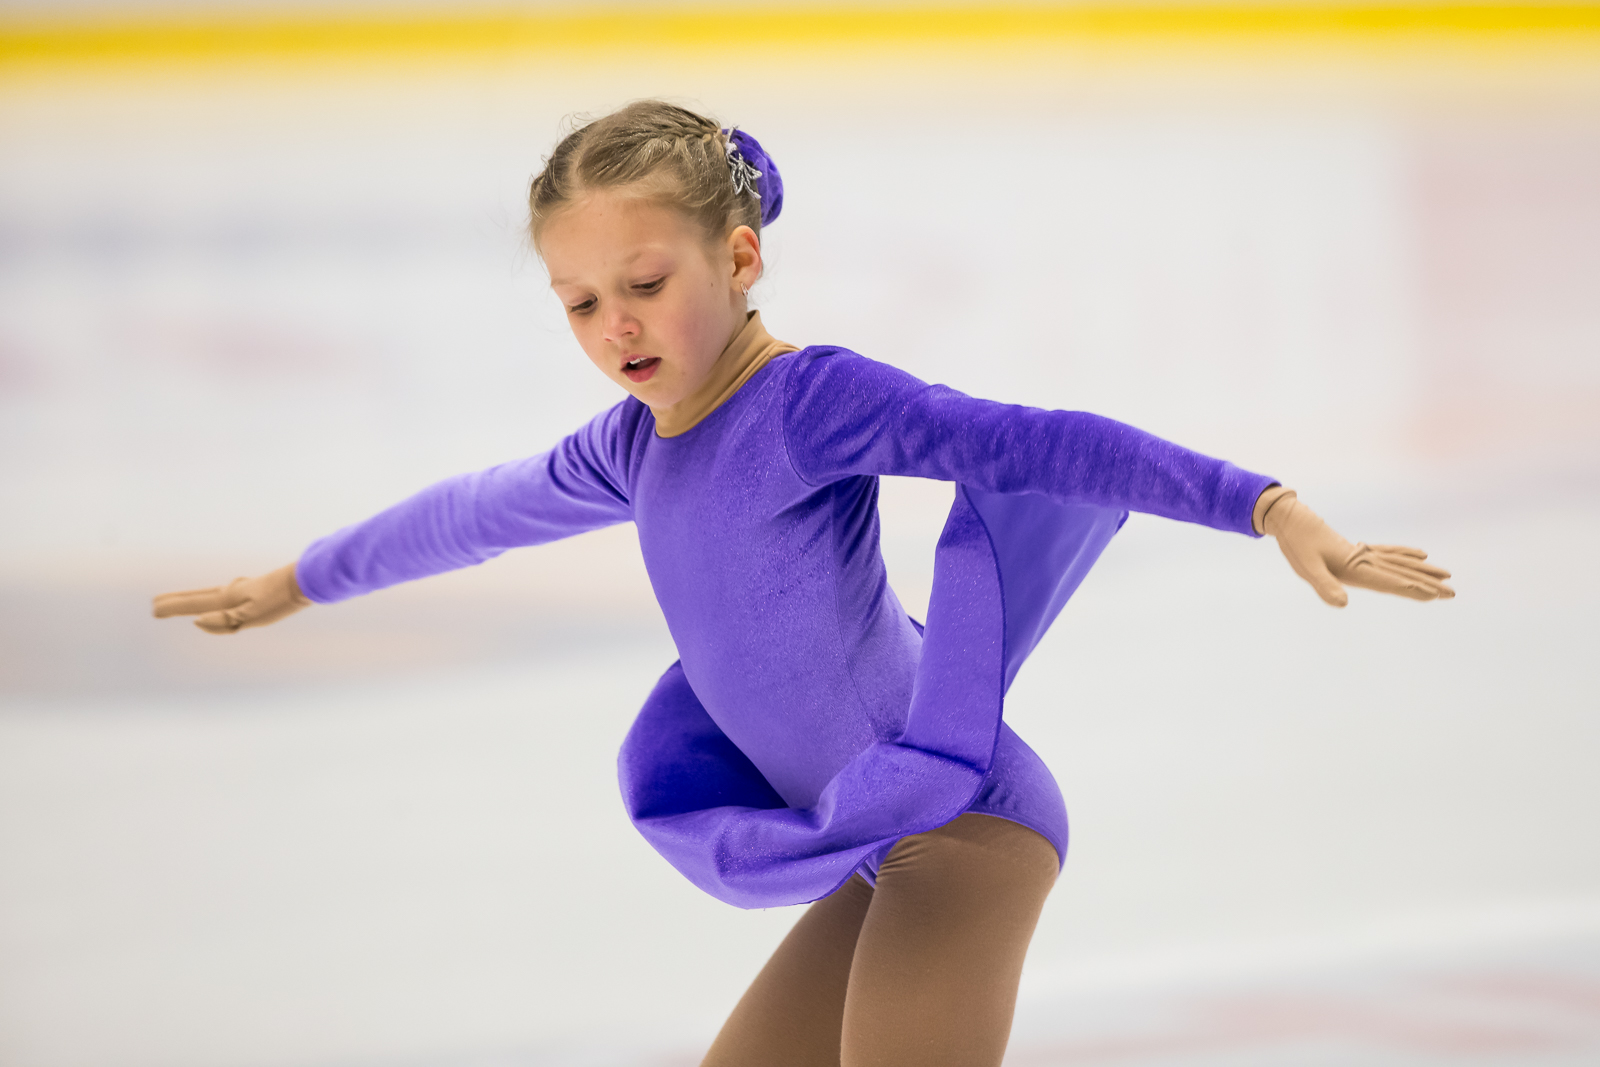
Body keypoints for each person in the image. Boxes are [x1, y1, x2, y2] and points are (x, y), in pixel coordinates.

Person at [153, 100, 1454, 1066]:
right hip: (880, 845)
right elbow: (472, 515)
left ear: (740, 259)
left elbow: (1034, 443)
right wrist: (299, 580)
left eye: (645, 284)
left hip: (964, 827)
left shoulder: (809, 405)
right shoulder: (630, 450)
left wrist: (1267, 505)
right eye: (580, 302)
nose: (616, 327)